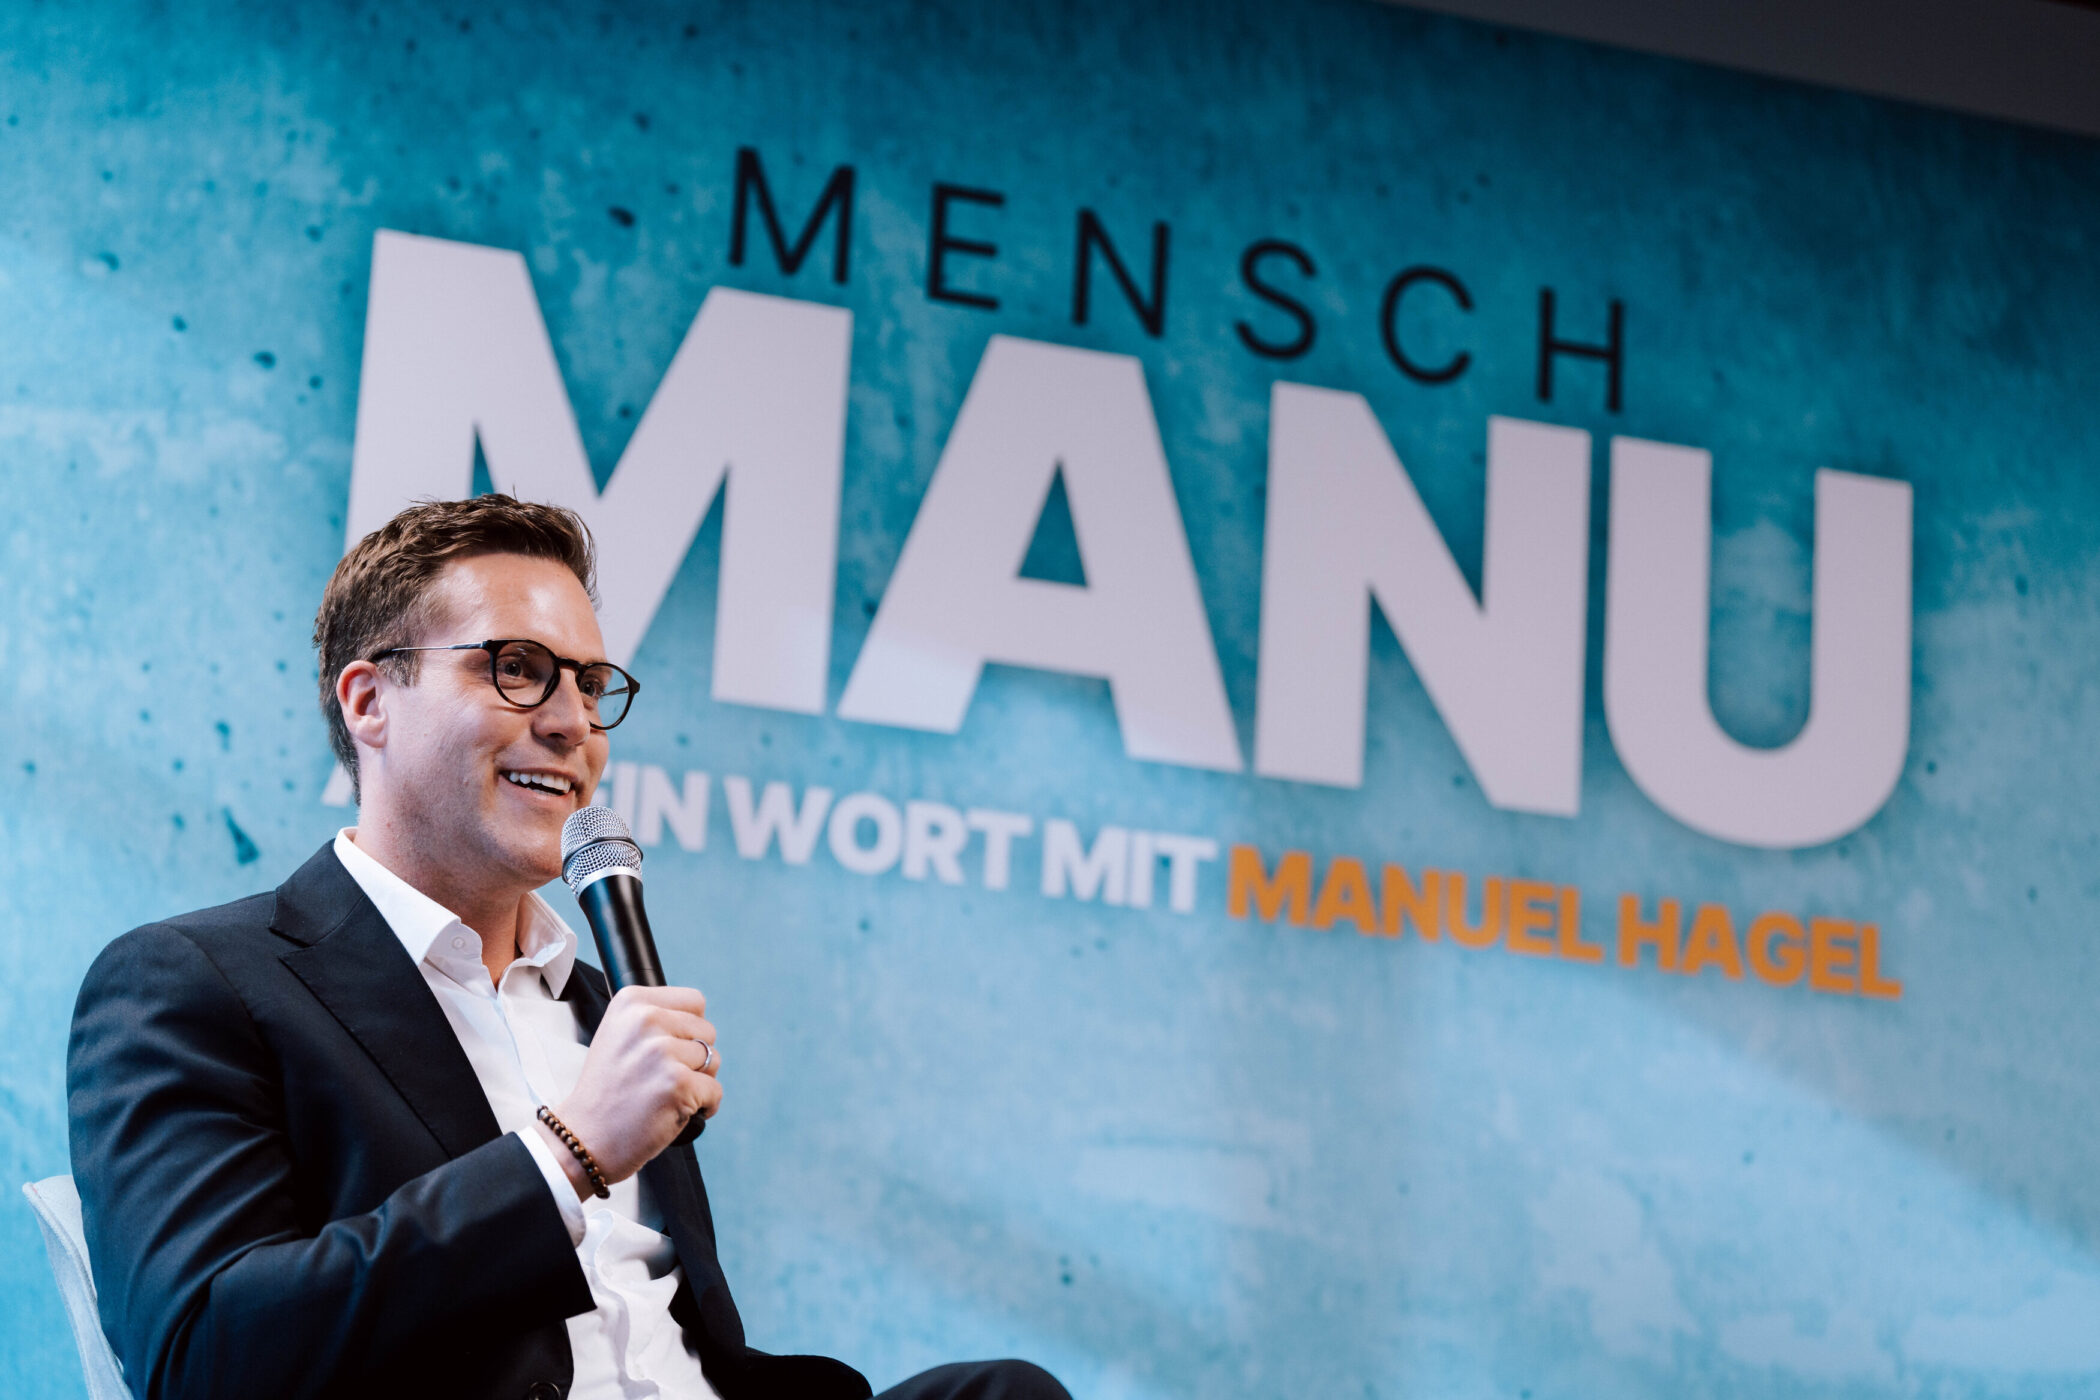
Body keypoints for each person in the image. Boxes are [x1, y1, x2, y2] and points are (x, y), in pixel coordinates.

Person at [67, 496, 1070, 1400]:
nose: (573, 724)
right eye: (516, 669)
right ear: (369, 701)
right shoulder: (194, 983)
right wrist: (569, 1151)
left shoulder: (601, 1000)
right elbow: (203, 1354)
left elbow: (678, 1343)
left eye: (590, 686)